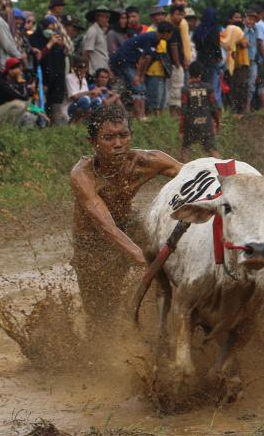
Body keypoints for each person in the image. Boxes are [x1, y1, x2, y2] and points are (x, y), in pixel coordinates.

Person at [69, 104, 183, 326]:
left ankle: (175, 311)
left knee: (164, 241)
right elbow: (106, 226)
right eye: (109, 138)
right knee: (101, 316)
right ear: (93, 143)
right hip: (92, 243)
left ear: (131, 136)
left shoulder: (146, 161)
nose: (118, 144)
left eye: (123, 136)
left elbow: (191, 174)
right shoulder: (83, 175)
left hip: (129, 223)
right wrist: (142, 258)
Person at [109, 22, 175, 121]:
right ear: (165, 33)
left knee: (139, 87)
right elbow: (145, 58)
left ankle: (139, 115)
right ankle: (140, 116)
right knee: (138, 87)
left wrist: (141, 75)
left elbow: (145, 58)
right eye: (171, 34)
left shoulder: (156, 39)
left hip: (130, 62)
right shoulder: (151, 38)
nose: (171, 36)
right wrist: (138, 75)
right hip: (124, 61)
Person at [179, 61, 220, 161]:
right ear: (201, 74)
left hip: (191, 123)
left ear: (189, 73)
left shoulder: (186, 89)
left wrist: (181, 130)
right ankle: (223, 172)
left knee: (185, 148)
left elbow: (183, 111)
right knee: (212, 149)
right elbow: (214, 108)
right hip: (206, 123)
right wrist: (217, 123)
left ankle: (183, 171)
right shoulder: (208, 88)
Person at [66, 56, 103, 123]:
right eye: (80, 67)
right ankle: (73, 122)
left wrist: (94, 94)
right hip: (69, 107)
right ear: (75, 68)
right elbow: (74, 97)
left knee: (97, 100)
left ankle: (93, 123)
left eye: (85, 67)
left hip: (81, 103)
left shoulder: (83, 79)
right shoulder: (69, 77)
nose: (83, 69)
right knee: (86, 100)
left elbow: (88, 96)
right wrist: (90, 92)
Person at [82, 7, 112, 73]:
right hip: (95, 70)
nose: (105, 20)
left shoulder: (101, 31)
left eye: (107, 17)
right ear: (97, 18)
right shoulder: (93, 31)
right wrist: (86, 68)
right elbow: (87, 52)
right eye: (102, 17)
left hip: (103, 67)